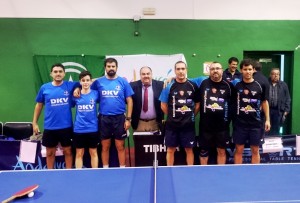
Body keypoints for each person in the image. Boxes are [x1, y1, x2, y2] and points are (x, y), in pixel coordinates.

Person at [32, 63, 78, 169]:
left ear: (64, 73)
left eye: (60, 71)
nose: (58, 74)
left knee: (68, 151)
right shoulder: (44, 88)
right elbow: (39, 105)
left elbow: (87, 80)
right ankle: (50, 174)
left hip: (66, 127)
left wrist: (77, 89)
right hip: (50, 127)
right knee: (49, 153)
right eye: (55, 72)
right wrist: (34, 123)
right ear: (51, 74)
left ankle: (69, 173)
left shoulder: (70, 85)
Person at [92, 58, 134, 168]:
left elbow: (129, 100)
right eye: (109, 66)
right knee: (105, 146)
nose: (111, 68)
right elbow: (85, 86)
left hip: (120, 118)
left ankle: (122, 168)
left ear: (116, 67)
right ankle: (105, 169)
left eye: (113, 66)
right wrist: (78, 89)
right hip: (104, 118)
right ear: (105, 68)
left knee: (120, 145)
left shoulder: (123, 81)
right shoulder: (98, 82)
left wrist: (128, 119)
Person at [159, 61, 200, 166]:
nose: (181, 71)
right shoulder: (168, 85)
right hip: (172, 125)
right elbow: (163, 105)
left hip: (188, 125)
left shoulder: (193, 85)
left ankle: (190, 171)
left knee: (189, 150)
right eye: (178, 69)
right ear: (175, 71)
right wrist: (172, 116)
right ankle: (168, 171)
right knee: (170, 150)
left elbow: (198, 104)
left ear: (186, 70)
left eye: (183, 69)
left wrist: (191, 115)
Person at [232, 59, 270, 164]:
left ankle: (255, 174)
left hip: (256, 124)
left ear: (253, 70)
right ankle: (238, 173)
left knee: (255, 150)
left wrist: (267, 120)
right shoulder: (236, 86)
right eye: (245, 69)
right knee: (239, 150)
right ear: (241, 70)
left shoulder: (260, 85)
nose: (247, 72)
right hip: (240, 124)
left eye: (250, 69)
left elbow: (264, 102)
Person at [198, 62, 234, 165]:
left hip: (222, 127)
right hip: (205, 127)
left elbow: (233, 104)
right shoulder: (202, 83)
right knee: (204, 151)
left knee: (221, 151)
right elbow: (185, 80)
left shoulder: (229, 85)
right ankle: (203, 173)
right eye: (212, 69)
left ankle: (220, 173)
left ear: (222, 70)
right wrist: (172, 78)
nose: (215, 70)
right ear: (209, 71)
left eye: (217, 68)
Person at [73, 71, 100, 168]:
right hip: (79, 129)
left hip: (93, 128)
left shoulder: (96, 94)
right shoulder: (76, 95)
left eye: (88, 80)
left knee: (93, 152)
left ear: (91, 82)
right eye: (83, 80)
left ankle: (95, 174)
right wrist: (76, 88)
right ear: (80, 82)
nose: (85, 82)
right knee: (79, 153)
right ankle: (78, 175)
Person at [130, 66, 164, 132]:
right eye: (143, 74)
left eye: (148, 73)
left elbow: (174, 83)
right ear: (140, 75)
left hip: (156, 123)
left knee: (156, 142)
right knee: (139, 142)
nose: (146, 76)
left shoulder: (161, 85)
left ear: (151, 74)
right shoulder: (132, 86)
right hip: (139, 123)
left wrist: (172, 78)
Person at [268, 68, 291, 135]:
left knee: (276, 129)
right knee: (266, 128)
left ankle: (275, 144)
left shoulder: (283, 85)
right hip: (267, 110)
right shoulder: (266, 83)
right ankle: (266, 144)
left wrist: (286, 110)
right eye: (274, 74)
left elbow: (288, 98)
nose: (276, 76)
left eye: (278, 74)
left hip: (278, 111)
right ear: (270, 75)